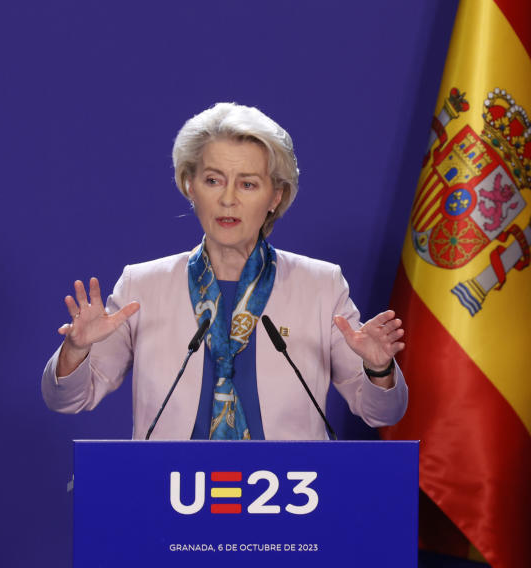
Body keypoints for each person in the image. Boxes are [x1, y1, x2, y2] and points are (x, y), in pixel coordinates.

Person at [41, 102, 407, 439]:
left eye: (248, 184)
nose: (228, 199)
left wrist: (378, 369)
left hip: (288, 498)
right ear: (190, 185)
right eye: (213, 180)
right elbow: (69, 400)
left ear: (275, 196)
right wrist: (75, 351)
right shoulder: (143, 286)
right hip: (171, 495)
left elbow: (382, 412)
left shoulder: (321, 285)